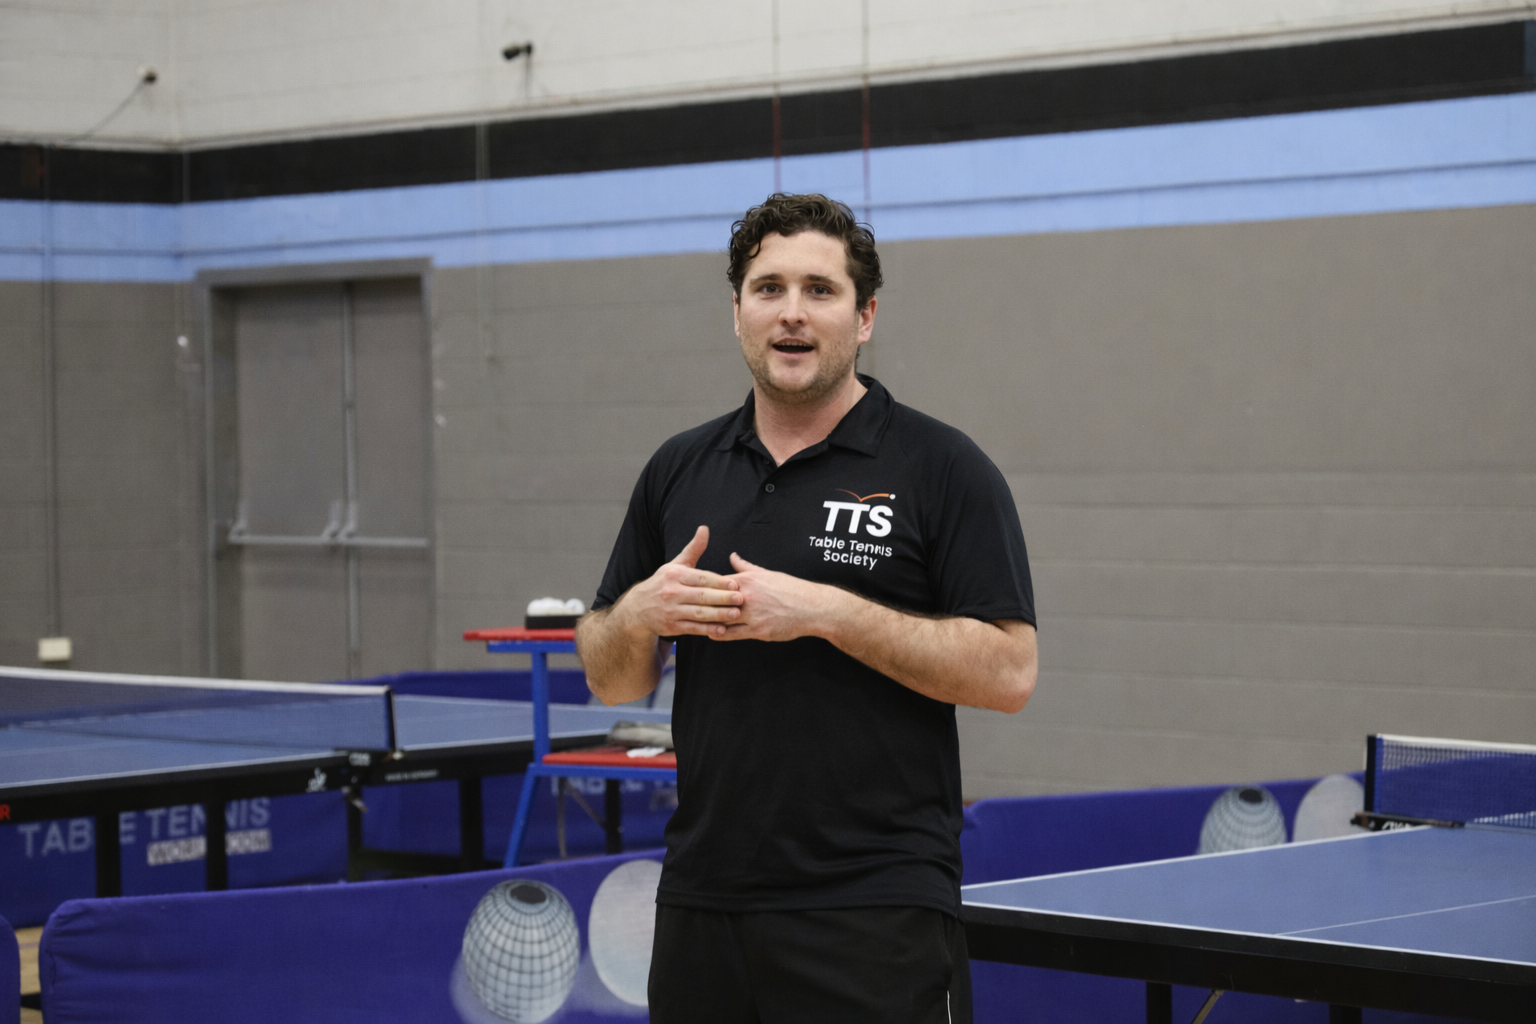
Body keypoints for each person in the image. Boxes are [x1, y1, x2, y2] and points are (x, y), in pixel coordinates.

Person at [577, 193, 1037, 1023]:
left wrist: (832, 613)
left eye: (820, 291)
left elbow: (1010, 673)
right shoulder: (679, 469)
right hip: (703, 905)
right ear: (737, 311)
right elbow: (611, 681)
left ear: (864, 318)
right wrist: (637, 614)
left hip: (873, 908)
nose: (792, 313)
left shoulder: (941, 468)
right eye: (769, 288)